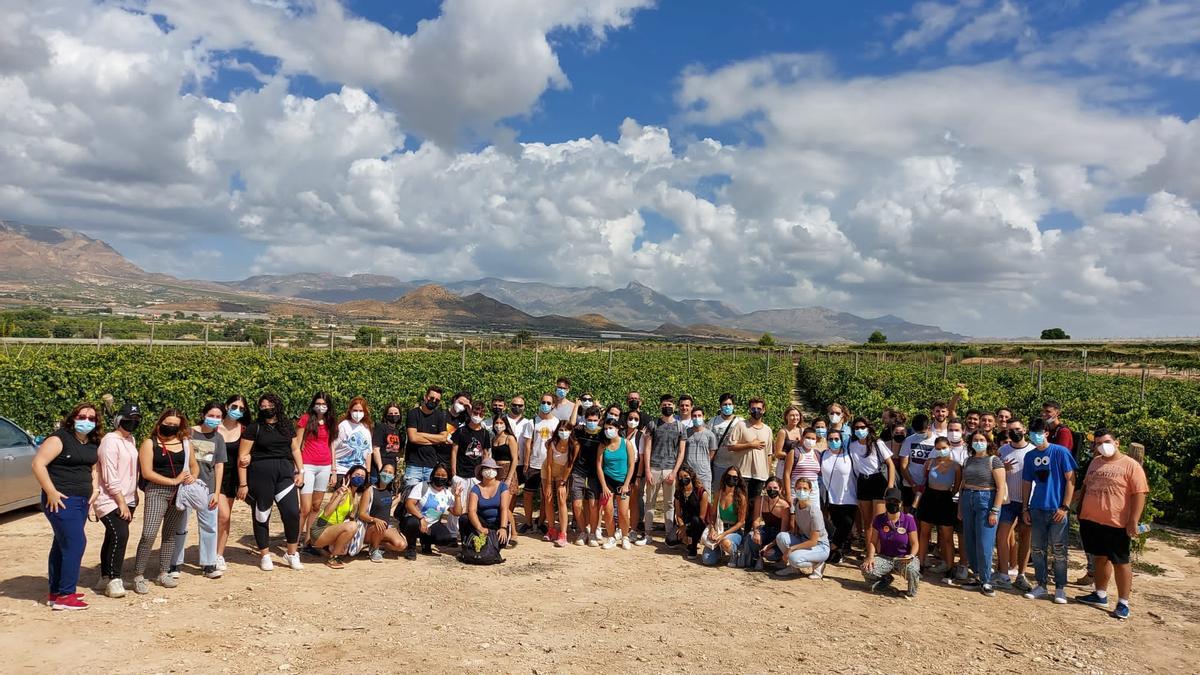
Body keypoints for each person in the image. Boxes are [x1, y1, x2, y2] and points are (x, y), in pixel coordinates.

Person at [32, 402, 102, 610]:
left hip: (81, 501)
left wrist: (95, 489)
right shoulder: (59, 438)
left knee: (62, 544)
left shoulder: (91, 442)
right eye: (82, 417)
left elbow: (94, 468)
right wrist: (51, 492)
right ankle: (66, 596)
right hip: (61, 499)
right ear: (73, 418)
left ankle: (56, 592)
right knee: (76, 543)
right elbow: (38, 464)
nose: (86, 421)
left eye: (91, 418)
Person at [1073, 430, 1148, 620]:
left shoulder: (1131, 465)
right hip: (1091, 520)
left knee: (1120, 562)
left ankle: (1123, 602)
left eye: (1106, 441)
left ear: (1117, 442)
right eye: (1098, 443)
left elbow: (1139, 493)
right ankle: (1100, 594)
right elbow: (1086, 486)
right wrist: (1079, 509)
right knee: (1099, 557)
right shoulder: (1095, 463)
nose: (1102, 446)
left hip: (1116, 523)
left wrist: (1133, 521)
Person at [133, 409, 199, 593]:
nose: (169, 427)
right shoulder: (149, 443)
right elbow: (146, 472)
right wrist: (172, 481)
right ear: (160, 421)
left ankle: (163, 572)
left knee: (170, 534)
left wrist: (192, 477)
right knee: (149, 534)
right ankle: (138, 574)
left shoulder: (186, 443)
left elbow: (194, 466)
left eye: (174, 425)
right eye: (167, 423)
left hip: (180, 494)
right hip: (156, 491)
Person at [237, 394, 304, 572]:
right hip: (260, 475)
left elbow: (295, 448)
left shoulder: (286, 426)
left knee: (292, 513)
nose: (266, 408)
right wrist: (243, 483)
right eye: (263, 406)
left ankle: (291, 553)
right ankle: (265, 555)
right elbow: (242, 457)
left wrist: (301, 471)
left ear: (278, 405)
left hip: (285, 474)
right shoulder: (254, 428)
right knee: (262, 514)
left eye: (270, 405)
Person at [1020, 418, 1077, 604]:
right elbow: (1027, 482)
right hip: (1037, 508)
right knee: (1037, 549)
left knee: (1059, 550)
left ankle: (1060, 588)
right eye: (1032, 433)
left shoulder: (1060, 452)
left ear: (1046, 433)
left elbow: (1071, 479)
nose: (1035, 437)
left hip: (1057, 509)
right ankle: (1041, 585)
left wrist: (1065, 506)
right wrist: (1025, 508)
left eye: (1039, 433)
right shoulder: (1030, 456)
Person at [171, 402, 228, 580]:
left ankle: (209, 564)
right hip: (186, 487)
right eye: (211, 415)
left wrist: (217, 492)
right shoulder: (188, 433)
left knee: (209, 526)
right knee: (180, 526)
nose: (215, 419)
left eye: (218, 417)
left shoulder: (218, 438)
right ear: (203, 415)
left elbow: (219, 466)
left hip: (208, 488)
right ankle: (175, 563)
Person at [94, 403, 141, 599]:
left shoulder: (131, 439)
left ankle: (105, 577)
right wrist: (121, 501)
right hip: (110, 498)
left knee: (112, 536)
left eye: (136, 419)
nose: (132, 423)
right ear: (118, 420)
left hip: (129, 497)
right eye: (128, 419)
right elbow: (110, 474)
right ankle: (114, 579)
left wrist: (134, 494)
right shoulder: (110, 441)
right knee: (120, 535)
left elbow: (132, 470)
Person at [958, 431, 1006, 596]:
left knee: (984, 543)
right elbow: (963, 483)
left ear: (988, 441)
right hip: (968, 498)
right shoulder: (968, 460)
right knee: (970, 541)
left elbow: (1000, 488)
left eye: (982, 439)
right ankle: (977, 576)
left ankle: (987, 581)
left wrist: (995, 510)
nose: (978, 442)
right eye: (975, 440)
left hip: (986, 499)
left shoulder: (994, 460)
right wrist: (960, 507)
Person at [295, 392, 338, 553]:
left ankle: (308, 541)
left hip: (325, 466)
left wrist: (334, 470)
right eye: (318, 403)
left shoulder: (330, 421)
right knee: (304, 508)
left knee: (316, 506)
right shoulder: (305, 419)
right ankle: (294, 540)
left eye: (324, 404)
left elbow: (331, 445)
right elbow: (297, 444)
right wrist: (298, 469)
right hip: (307, 465)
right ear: (313, 404)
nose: (321, 406)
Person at [914, 437, 960, 582]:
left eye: (944, 448)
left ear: (949, 447)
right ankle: (920, 564)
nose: (941, 451)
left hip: (945, 499)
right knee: (924, 534)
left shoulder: (956, 466)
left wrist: (946, 496)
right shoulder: (929, 463)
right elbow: (924, 482)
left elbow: (957, 487)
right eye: (938, 448)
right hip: (929, 498)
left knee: (947, 537)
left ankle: (950, 568)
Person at [996, 418, 1034, 591]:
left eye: (1017, 429)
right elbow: (994, 473)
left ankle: (1021, 574)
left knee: (1025, 538)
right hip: (1007, 501)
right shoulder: (1002, 450)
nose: (1014, 432)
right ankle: (1004, 574)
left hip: (1028, 502)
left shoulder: (1034, 451)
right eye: (1011, 430)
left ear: (1024, 430)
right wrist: (1002, 468)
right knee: (1002, 536)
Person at [861, 488, 920, 598]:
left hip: (903, 558)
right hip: (885, 557)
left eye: (895, 501)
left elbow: (915, 543)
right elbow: (873, 541)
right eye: (889, 501)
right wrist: (870, 557)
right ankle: (885, 584)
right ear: (885, 502)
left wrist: (911, 555)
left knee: (913, 569)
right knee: (866, 569)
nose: (892, 504)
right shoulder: (879, 519)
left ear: (900, 503)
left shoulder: (908, 520)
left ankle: (911, 592)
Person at [643, 394, 685, 545]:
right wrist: (647, 470)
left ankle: (669, 536)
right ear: (660, 406)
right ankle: (647, 534)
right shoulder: (653, 424)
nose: (667, 407)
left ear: (674, 407)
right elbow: (647, 448)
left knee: (669, 504)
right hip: (654, 468)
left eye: (670, 405)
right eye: (664, 405)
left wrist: (674, 472)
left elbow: (681, 452)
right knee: (650, 503)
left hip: (669, 470)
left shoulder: (680, 427)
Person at [309, 464, 368, 569]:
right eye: (357, 474)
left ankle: (324, 548)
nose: (359, 478)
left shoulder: (354, 496)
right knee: (352, 526)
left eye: (362, 477)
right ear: (349, 476)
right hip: (321, 528)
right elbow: (327, 512)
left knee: (346, 547)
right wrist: (340, 494)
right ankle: (333, 558)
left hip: (332, 528)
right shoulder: (342, 491)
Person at [401, 462, 464, 558]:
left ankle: (426, 541)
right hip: (414, 519)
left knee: (445, 538)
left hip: (431, 524)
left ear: (448, 478)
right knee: (412, 523)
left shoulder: (447, 494)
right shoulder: (423, 486)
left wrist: (458, 497)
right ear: (433, 475)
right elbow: (409, 504)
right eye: (437, 474)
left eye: (443, 475)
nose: (440, 477)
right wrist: (421, 518)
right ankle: (411, 547)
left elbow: (457, 512)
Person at [775, 477, 830, 579]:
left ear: (810, 490)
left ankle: (818, 564)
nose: (802, 491)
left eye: (805, 489)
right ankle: (793, 569)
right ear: (795, 489)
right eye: (799, 488)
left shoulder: (814, 511)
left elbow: (813, 541)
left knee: (793, 558)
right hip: (804, 539)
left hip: (820, 546)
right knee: (781, 537)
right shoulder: (796, 503)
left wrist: (792, 548)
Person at [215, 394, 246, 572]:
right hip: (214, 477)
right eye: (234, 406)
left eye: (241, 409)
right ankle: (211, 553)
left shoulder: (244, 430)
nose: (237, 411)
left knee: (225, 520)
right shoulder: (213, 426)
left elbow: (248, 452)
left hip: (233, 478)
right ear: (226, 406)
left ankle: (219, 554)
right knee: (223, 516)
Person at [848, 418, 896, 533]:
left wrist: (890, 486)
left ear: (868, 428)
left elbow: (891, 464)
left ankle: (880, 548)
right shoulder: (852, 446)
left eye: (862, 427)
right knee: (867, 520)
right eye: (857, 428)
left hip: (878, 480)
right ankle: (870, 549)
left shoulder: (877, 443)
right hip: (863, 481)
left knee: (878, 519)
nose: (860, 430)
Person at [520, 393, 557, 534]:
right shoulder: (532, 422)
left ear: (553, 405)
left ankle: (541, 522)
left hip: (549, 464)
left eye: (549, 402)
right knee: (528, 494)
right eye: (543, 402)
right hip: (534, 464)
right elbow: (528, 444)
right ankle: (528, 522)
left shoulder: (556, 422)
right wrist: (526, 462)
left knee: (546, 495)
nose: (546, 405)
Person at [460, 457, 512, 556]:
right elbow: (472, 511)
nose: (490, 471)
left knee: (495, 545)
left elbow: (504, 509)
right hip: (481, 523)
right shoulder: (475, 489)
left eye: (493, 468)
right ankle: (466, 545)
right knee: (464, 518)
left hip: (497, 524)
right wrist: (480, 528)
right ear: (481, 471)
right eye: (486, 468)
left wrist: (503, 528)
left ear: (496, 471)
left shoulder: (503, 487)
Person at [597, 416, 635, 549]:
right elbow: (599, 465)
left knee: (623, 512)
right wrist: (603, 486)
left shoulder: (626, 443)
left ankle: (625, 536)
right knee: (607, 511)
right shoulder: (603, 445)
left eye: (611, 428)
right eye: (606, 428)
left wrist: (626, 484)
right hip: (608, 481)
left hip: (623, 481)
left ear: (617, 428)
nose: (608, 431)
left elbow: (631, 465)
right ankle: (611, 536)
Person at [728, 397, 772, 512]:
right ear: (749, 410)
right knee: (740, 503)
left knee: (754, 505)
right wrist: (750, 445)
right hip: (743, 473)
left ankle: (750, 529)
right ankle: (739, 528)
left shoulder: (768, 430)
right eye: (753, 408)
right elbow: (731, 446)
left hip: (759, 474)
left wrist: (767, 474)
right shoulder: (740, 426)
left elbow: (769, 454)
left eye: (758, 408)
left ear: (764, 410)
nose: (756, 411)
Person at [819, 429, 857, 564]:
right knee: (836, 526)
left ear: (841, 440)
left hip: (849, 497)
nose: (834, 442)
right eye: (830, 439)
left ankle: (832, 547)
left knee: (847, 524)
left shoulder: (849, 455)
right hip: (831, 497)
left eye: (836, 439)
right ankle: (837, 553)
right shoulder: (823, 455)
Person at [358, 463, 408, 562]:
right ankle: (374, 549)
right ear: (380, 473)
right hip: (370, 527)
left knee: (401, 545)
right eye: (385, 471)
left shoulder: (389, 491)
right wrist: (374, 520)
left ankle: (378, 544)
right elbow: (361, 514)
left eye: (390, 473)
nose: (387, 474)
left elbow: (385, 506)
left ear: (393, 476)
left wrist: (397, 500)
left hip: (383, 528)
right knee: (380, 525)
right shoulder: (370, 490)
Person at [404, 386, 452, 488]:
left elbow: (444, 438)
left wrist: (420, 434)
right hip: (414, 465)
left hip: (431, 465)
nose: (434, 401)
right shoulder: (413, 413)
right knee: (409, 497)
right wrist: (436, 439)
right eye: (431, 398)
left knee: (428, 499)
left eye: (437, 400)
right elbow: (413, 438)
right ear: (425, 397)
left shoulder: (440, 416)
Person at [702, 467, 747, 567]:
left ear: (738, 480)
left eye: (735, 477)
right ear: (725, 477)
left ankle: (734, 553)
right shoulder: (719, 493)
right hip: (718, 528)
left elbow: (741, 522)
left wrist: (724, 534)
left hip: (733, 531)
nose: (731, 479)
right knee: (707, 560)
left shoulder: (741, 497)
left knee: (724, 541)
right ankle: (719, 551)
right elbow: (713, 514)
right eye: (729, 476)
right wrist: (712, 529)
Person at [745, 476, 789, 570]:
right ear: (765, 489)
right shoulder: (760, 500)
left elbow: (783, 532)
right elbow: (756, 520)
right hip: (766, 529)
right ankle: (755, 557)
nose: (772, 490)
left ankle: (779, 558)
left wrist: (768, 546)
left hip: (778, 535)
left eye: (775, 488)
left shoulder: (784, 506)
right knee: (751, 536)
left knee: (770, 554)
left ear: (780, 489)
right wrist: (756, 532)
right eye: (769, 488)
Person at [544, 418, 574, 546]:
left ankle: (563, 533)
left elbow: (570, 465)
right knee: (548, 498)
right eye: (561, 430)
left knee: (562, 499)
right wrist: (549, 485)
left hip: (563, 474)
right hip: (548, 471)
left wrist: (563, 482)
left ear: (571, 431)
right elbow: (549, 465)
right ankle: (551, 529)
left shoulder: (574, 445)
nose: (564, 432)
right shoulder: (552, 443)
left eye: (566, 430)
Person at [898, 414, 936, 513]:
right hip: (910, 485)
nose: (919, 434)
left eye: (922, 432)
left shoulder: (937, 441)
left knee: (925, 518)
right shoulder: (909, 440)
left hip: (929, 486)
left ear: (929, 427)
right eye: (917, 432)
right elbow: (903, 465)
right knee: (909, 515)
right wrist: (913, 484)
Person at [681, 407, 717, 507]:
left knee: (706, 499)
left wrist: (705, 462)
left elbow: (712, 450)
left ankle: (706, 522)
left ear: (703, 417)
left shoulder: (710, 434)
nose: (697, 418)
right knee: (688, 498)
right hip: (688, 473)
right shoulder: (686, 433)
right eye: (694, 416)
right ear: (691, 417)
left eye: (699, 416)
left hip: (704, 472)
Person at [334, 397, 374, 484]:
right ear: (350, 411)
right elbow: (332, 448)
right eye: (355, 410)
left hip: (359, 473)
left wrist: (368, 472)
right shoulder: (343, 426)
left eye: (361, 411)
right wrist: (333, 470)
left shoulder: (366, 428)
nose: (358, 413)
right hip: (342, 471)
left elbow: (368, 452)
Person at [672, 465, 708, 559]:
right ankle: (686, 540)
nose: (683, 478)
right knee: (670, 540)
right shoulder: (679, 492)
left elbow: (702, 516)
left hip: (698, 523)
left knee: (695, 520)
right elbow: (678, 514)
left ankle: (693, 546)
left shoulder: (701, 492)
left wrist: (685, 527)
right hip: (685, 521)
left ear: (691, 476)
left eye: (685, 476)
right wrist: (681, 525)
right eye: (680, 477)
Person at [709, 393, 741, 494]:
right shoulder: (713, 422)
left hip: (735, 465)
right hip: (718, 464)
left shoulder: (740, 422)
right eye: (725, 404)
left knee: (733, 493)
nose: (727, 407)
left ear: (734, 406)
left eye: (730, 404)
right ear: (720, 406)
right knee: (718, 492)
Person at [782, 427, 821, 501]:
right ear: (802, 438)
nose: (810, 440)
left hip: (813, 493)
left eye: (813, 439)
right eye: (808, 438)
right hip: (797, 491)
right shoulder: (794, 452)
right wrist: (788, 494)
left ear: (816, 440)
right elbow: (786, 473)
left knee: (813, 512)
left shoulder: (817, 454)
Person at [772, 406, 804, 495]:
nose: (795, 418)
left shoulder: (802, 431)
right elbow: (777, 453)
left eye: (797, 415)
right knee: (783, 490)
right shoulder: (783, 432)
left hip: (798, 465)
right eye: (792, 415)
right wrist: (792, 455)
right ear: (787, 417)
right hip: (783, 465)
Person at [373, 402, 406, 477]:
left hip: (391, 470)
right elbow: (375, 449)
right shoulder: (381, 427)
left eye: (396, 413)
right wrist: (380, 468)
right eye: (390, 413)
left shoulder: (398, 431)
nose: (393, 415)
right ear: (386, 415)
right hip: (380, 470)